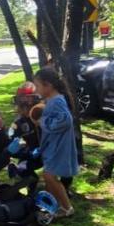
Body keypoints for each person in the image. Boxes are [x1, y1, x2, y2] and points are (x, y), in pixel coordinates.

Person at [33, 67, 79, 217]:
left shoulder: (57, 101)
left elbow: (65, 120)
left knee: (49, 176)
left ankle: (67, 208)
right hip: (53, 144)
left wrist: (42, 121)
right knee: (48, 176)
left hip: (59, 145)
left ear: (48, 85)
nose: (36, 89)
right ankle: (51, 204)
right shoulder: (51, 100)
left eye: (38, 86)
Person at [7, 82, 43, 193]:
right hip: (33, 154)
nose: (25, 107)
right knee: (22, 169)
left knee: (65, 166)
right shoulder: (18, 123)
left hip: (51, 151)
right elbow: (10, 140)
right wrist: (26, 152)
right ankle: (31, 189)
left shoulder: (45, 114)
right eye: (21, 103)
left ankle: (64, 187)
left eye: (28, 102)